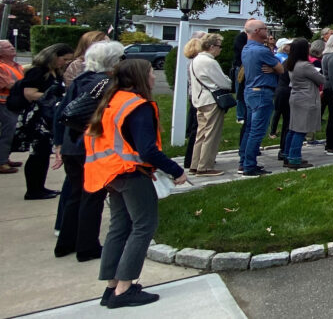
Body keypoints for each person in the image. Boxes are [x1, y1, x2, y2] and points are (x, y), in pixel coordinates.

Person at [85, 58, 186, 309]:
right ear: (141, 77)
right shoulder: (138, 106)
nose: (154, 77)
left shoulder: (112, 100)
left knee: (119, 227)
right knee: (144, 226)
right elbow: (147, 149)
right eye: (152, 73)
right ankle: (125, 289)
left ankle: (112, 286)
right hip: (131, 172)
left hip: (110, 173)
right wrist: (175, 170)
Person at [52, 40, 123, 260]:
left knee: (74, 195)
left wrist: (59, 143)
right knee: (93, 197)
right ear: (113, 62)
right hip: (92, 147)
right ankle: (87, 247)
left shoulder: (79, 81)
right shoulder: (108, 85)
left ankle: (65, 242)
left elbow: (61, 112)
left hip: (71, 145)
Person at [18, 43, 74, 200]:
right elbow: (29, 93)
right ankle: (33, 190)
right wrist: (53, 96)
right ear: (53, 57)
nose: (66, 63)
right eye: (64, 59)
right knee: (37, 153)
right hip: (37, 117)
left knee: (42, 154)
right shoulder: (37, 72)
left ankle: (39, 187)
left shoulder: (55, 73)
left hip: (49, 115)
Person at [239, 19, 284, 177]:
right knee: (256, 132)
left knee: (249, 129)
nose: (268, 32)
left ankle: (243, 161)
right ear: (257, 31)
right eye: (265, 29)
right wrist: (273, 68)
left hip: (250, 90)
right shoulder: (262, 51)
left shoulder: (246, 48)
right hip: (262, 92)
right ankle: (250, 165)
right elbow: (281, 68)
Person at [188, 33, 232, 176]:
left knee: (201, 134)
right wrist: (228, 81)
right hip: (211, 101)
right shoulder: (209, 62)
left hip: (199, 100)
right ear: (212, 47)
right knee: (211, 135)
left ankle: (195, 164)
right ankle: (205, 166)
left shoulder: (195, 60)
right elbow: (225, 82)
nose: (220, 49)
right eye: (219, 46)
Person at [285, 38, 325, 170]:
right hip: (306, 99)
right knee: (300, 130)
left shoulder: (291, 63)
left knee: (293, 128)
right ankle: (295, 158)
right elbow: (320, 79)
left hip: (296, 97)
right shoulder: (305, 65)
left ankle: (287, 154)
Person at [0, 40, 25, 174]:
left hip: (15, 104)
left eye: (11, 46)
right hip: (4, 105)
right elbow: (9, 85)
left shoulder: (17, 66)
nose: (12, 48)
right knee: (7, 133)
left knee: (14, 132)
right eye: (8, 47)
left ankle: (4, 158)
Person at [181, 34, 205, 171]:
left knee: (197, 127)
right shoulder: (196, 61)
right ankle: (191, 160)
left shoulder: (191, 61)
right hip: (198, 96)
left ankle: (192, 159)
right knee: (198, 129)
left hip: (194, 95)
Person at [270, 37, 293, 158]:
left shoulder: (288, 59)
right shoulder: (281, 57)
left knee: (286, 120)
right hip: (284, 90)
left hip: (283, 89)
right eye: (288, 45)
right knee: (281, 115)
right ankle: (274, 132)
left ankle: (284, 149)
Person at [231, 29, 248, 123]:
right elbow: (243, 50)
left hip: (247, 66)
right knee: (240, 91)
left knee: (245, 91)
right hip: (240, 67)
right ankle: (240, 116)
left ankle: (246, 114)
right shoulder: (241, 37)